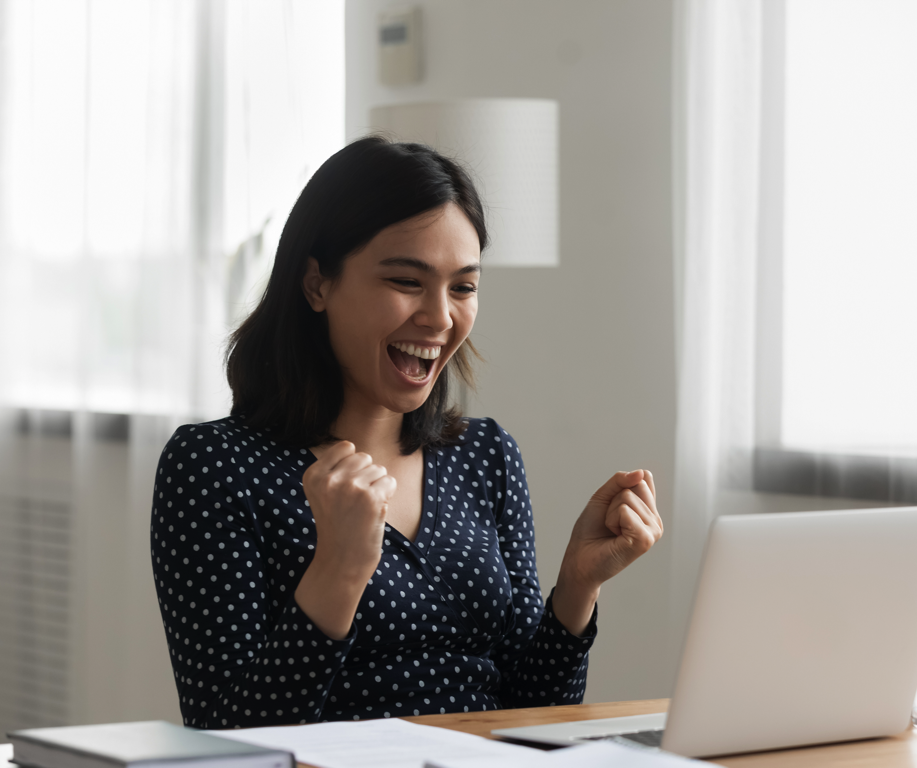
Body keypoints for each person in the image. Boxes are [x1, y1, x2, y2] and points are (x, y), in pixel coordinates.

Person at [150, 136, 663, 729]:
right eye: (406, 281)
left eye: (463, 287)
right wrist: (338, 569)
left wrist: (577, 584)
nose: (440, 317)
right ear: (317, 283)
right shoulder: (214, 466)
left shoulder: (485, 454)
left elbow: (534, 710)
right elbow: (226, 738)